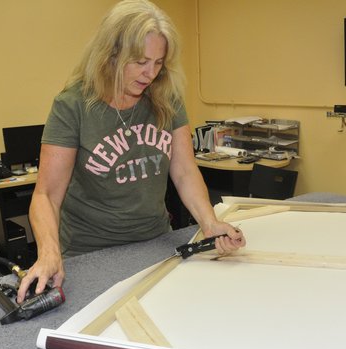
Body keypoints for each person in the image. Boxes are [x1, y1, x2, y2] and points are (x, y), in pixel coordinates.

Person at [17, 0, 245, 303]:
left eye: (158, 62)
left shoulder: (166, 96)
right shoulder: (73, 105)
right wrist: (48, 253)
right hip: (91, 252)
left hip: (156, 244)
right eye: (140, 61)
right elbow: (46, 195)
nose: (150, 73)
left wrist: (209, 222)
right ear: (111, 54)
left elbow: (184, 170)